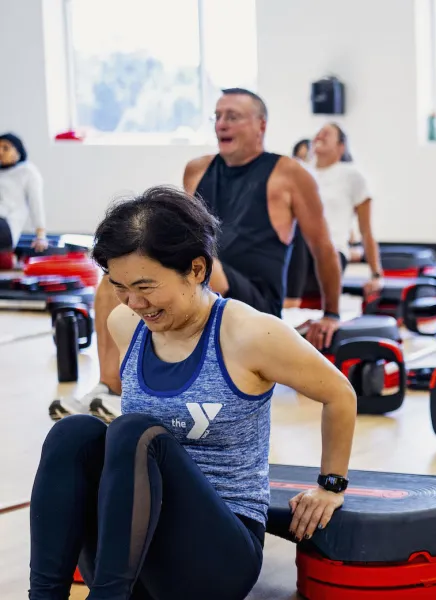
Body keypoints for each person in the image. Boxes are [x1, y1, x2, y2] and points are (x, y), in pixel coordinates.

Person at [28, 186, 356, 600]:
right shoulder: (125, 325)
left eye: (145, 286)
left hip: (217, 560)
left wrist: (330, 485)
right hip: (131, 556)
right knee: (73, 433)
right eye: (120, 287)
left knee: (134, 433)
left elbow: (339, 393)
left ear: (197, 270)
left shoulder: (250, 333)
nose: (134, 302)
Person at [83, 89, 343, 421]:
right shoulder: (197, 169)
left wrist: (331, 313)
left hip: (255, 299)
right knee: (115, 279)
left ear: (261, 125)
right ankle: (109, 389)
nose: (222, 124)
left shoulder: (290, 174)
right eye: (217, 116)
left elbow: (322, 247)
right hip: (201, 288)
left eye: (233, 116)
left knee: (201, 260)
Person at [284, 123, 383, 308]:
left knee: (302, 230)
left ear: (341, 146)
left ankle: (290, 305)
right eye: (318, 133)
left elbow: (366, 231)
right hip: (295, 255)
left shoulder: (352, 176)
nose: (319, 136)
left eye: (326, 134)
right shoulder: (300, 171)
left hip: (330, 255)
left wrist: (376, 274)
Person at [0, 133, 49, 256]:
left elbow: (35, 203)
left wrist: (41, 236)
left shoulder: (27, 171)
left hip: (5, 225)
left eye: (5, 148)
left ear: (18, 151)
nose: (0, 152)